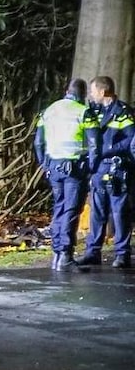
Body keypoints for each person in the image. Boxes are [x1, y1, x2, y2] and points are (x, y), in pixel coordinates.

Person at [34, 77, 101, 271]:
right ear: (82, 94)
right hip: (75, 168)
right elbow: (95, 145)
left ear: (66, 91)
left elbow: (38, 143)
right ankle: (65, 255)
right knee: (71, 211)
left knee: (59, 208)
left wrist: (44, 164)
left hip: (54, 167)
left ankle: (56, 254)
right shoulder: (84, 112)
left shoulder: (49, 111)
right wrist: (91, 168)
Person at [80, 76, 135, 268]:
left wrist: (108, 150)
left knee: (119, 212)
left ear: (103, 92)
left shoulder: (123, 112)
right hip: (98, 168)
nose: (91, 95)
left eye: (93, 91)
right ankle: (92, 252)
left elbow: (129, 140)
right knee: (97, 211)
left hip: (117, 167)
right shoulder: (93, 112)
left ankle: (122, 254)